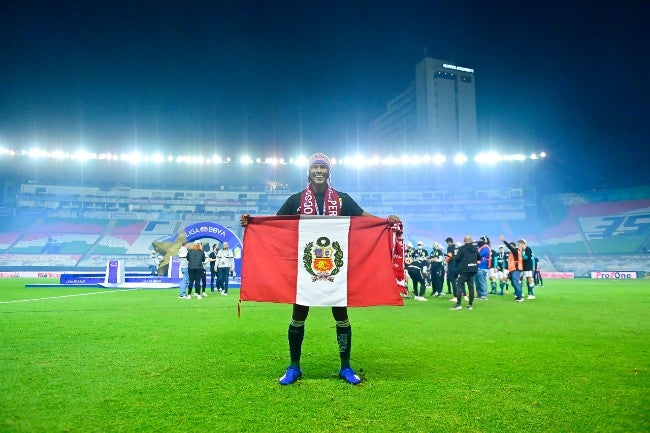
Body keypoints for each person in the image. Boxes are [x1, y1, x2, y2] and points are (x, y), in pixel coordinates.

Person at [240, 152, 401, 386]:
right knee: (298, 315)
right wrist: (251, 221)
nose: (319, 171)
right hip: (305, 271)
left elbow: (364, 217)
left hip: (337, 268)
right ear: (309, 171)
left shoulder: (343, 200)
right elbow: (274, 223)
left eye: (323, 168)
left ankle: (345, 367)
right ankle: (294, 366)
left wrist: (386, 221)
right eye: (315, 167)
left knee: (341, 316)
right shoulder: (296, 199)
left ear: (328, 172)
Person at [450, 235, 478, 310]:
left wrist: (455, 258)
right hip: (472, 270)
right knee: (471, 287)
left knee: (459, 285)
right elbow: (479, 257)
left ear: (464, 240)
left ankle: (458, 304)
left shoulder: (462, 248)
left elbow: (457, 258)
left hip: (464, 270)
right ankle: (470, 305)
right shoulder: (475, 249)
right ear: (471, 240)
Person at [500, 235, 524, 302]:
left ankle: (520, 296)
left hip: (516, 269)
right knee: (513, 283)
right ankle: (517, 294)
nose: (509, 248)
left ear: (513, 246)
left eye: (511, 246)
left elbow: (510, 247)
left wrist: (504, 241)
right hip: (512, 269)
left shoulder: (515, 251)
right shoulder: (513, 253)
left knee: (515, 282)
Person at [475, 236, 491, 300]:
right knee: (477, 281)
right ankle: (479, 294)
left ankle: (484, 295)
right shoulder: (481, 247)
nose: (479, 241)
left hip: (482, 266)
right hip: (478, 266)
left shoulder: (486, 247)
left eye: (481, 240)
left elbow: (479, 255)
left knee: (482, 281)